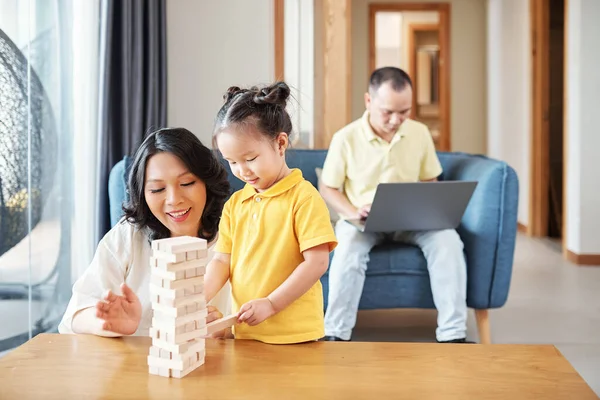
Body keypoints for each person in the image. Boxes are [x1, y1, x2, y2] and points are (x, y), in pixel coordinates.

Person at [319, 67, 469, 343]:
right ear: (368, 101)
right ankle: (335, 334)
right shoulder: (346, 137)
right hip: (361, 221)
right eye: (387, 112)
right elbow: (327, 187)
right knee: (347, 247)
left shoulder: (420, 133)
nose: (396, 120)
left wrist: (428, 206)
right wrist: (353, 212)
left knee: (448, 240)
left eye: (404, 112)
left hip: (412, 222)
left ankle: (453, 335)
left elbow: (429, 180)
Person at [58, 127, 232, 337]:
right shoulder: (129, 235)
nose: (174, 199)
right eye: (157, 189)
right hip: (132, 365)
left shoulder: (235, 235)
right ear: (143, 194)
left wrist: (227, 332)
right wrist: (108, 323)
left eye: (186, 183)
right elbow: (75, 315)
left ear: (207, 181)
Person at [204, 81, 338, 344]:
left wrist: (272, 304)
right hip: (246, 331)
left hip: (295, 334)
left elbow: (317, 263)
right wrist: (199, 297)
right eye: (231, 162)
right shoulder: (235, 204)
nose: (241, 171)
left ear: (280, 143)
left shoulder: (304, 197)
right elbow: (222, 261)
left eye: (250, 159)